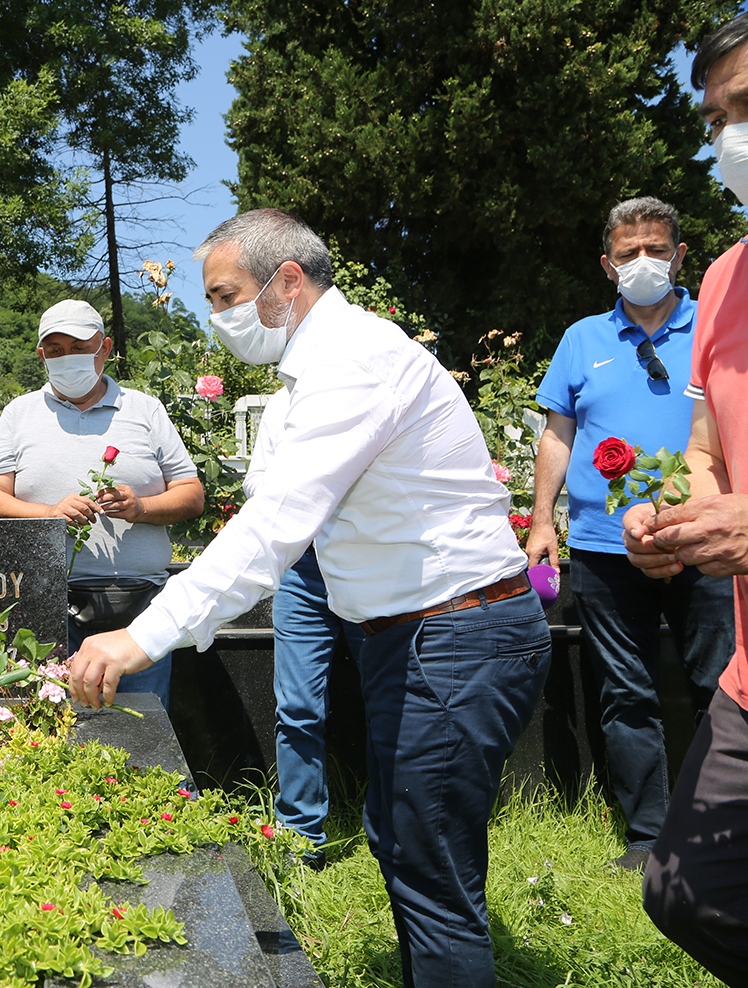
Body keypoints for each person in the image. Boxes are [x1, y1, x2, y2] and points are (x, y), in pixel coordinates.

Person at [69, 209, 550, 988]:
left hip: (460, 634)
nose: (217, 315)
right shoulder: (306, 376)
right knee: (402, 845)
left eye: (226, 294)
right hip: (409, 636)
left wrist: (140, 637)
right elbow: (271, 505)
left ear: (287, 281)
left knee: (428, 866)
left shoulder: (355, 361)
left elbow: (276, 526)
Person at [529, 197, 734, 873]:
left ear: (680, 256)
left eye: (655, 249)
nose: (641, 261)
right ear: (606, 264)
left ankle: (720, 834)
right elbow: (557, 435)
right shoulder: (581, 340)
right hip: (603, 548)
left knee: (718, 685)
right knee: (626, 692)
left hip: (703, 538)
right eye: (627, 252)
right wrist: (540, 520)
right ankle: (647, 837)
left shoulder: (715, 326)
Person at [624, 14, 748, 985]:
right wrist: (680, 513)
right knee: (685, 888)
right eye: (717, 118)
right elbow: (707, 447)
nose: (728, 139)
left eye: (747, 108)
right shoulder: (728, 277)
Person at [0, 299, 203, 709]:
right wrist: (49, 513)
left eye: (80, 347)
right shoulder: (19, 413)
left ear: (105, 347)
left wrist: (142, 507)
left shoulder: (145, 410)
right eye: (56, 350)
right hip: (46, 602)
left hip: (140, 604)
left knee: (141, 721)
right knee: (53, 727)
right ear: (42, 355)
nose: (68, 358)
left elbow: (191, 494)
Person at [250, 387, 364, 862]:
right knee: (297, 706)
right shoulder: (285, 402)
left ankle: (400, 827)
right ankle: (300, 837)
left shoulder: (372, 395)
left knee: (395, 704)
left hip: (371, 566)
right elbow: (256, 483)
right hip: (303, 571)